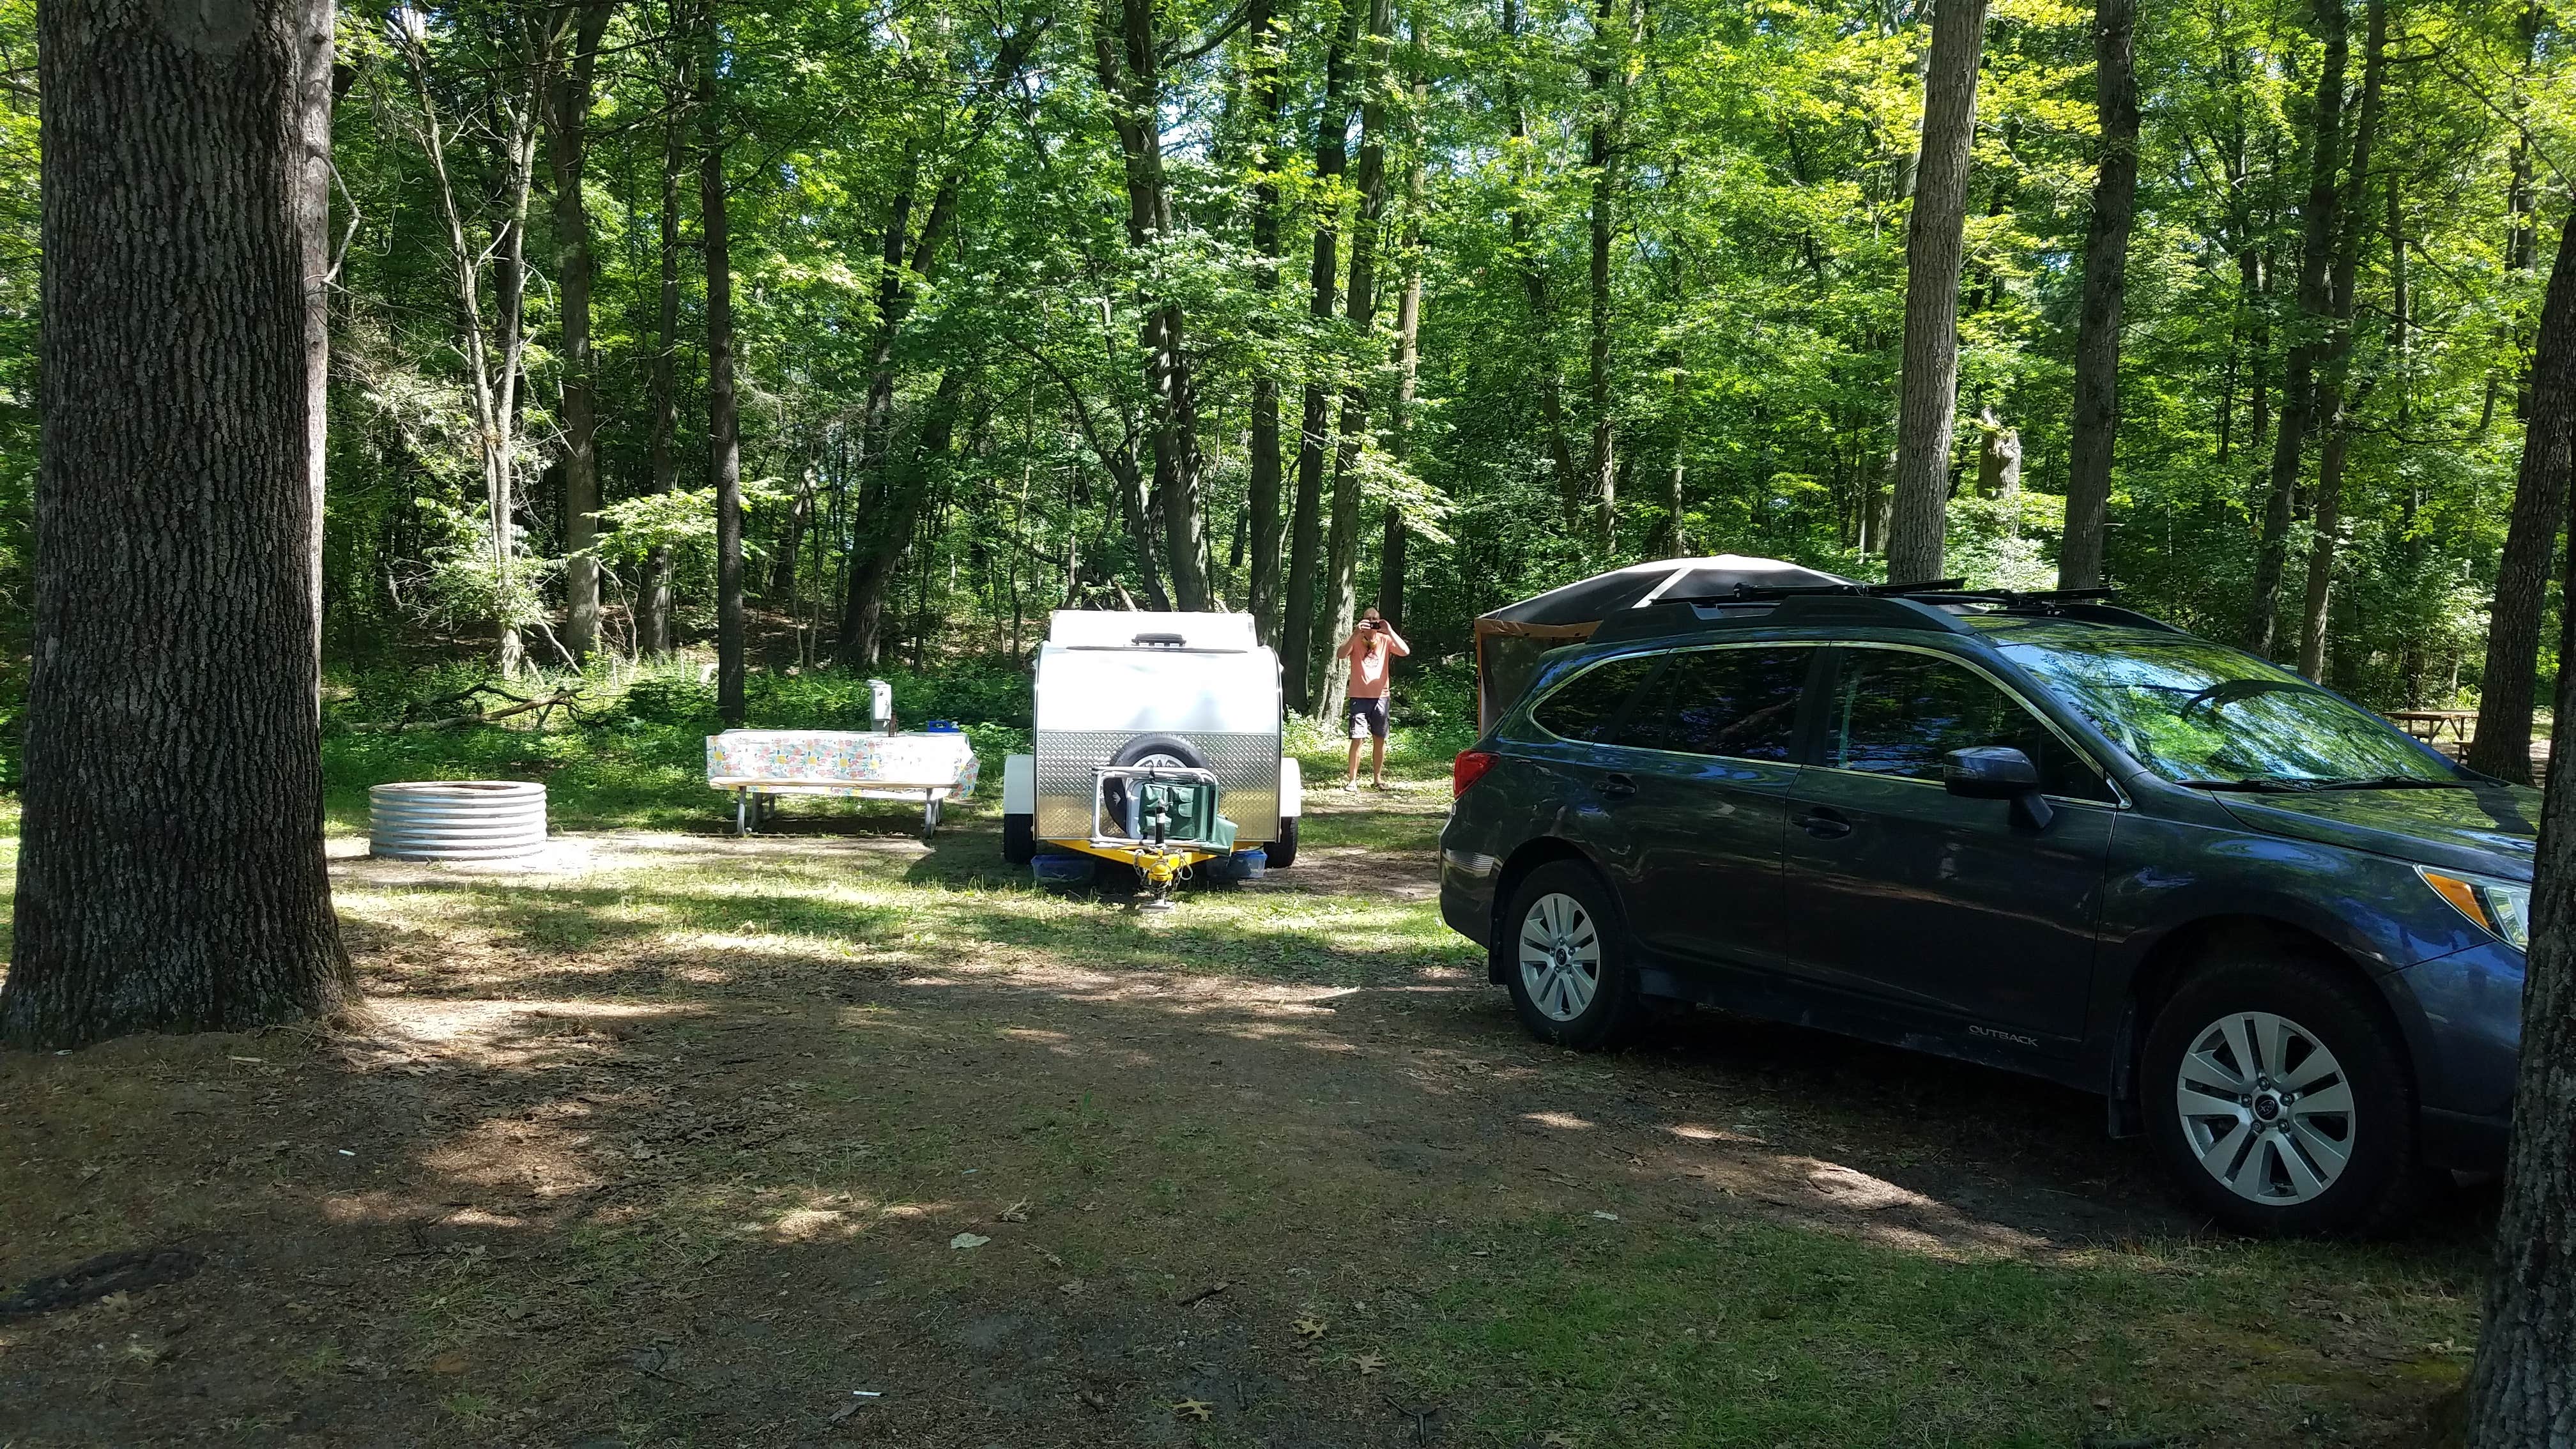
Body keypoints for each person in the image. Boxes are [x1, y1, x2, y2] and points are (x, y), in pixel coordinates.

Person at [1336, 608, 1411, 790]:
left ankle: (1378, 778)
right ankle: (1352, 781)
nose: (1372, 622)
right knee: (1357, 738)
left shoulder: (1385, 640)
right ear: (1362, 621)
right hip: (1359, 697)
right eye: (1368, 619)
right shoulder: (1356, 640)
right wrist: (1355, 632)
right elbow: (1340, 654)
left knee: (1380, 739)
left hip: (1381, 697)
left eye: (1375, 619)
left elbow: (1405, 651)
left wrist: (1389, 630)